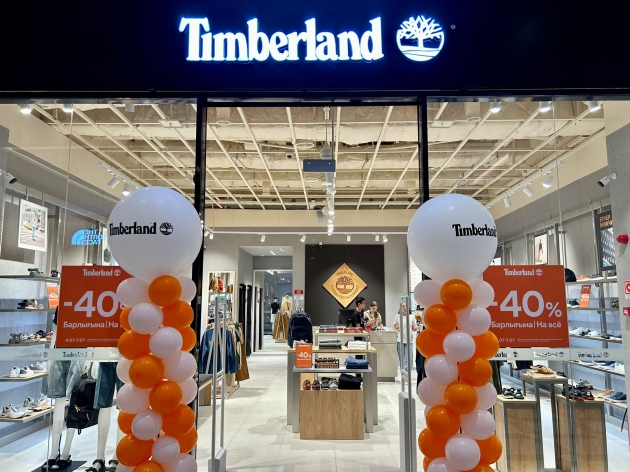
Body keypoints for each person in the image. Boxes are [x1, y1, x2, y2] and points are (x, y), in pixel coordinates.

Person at [394, 302, 416, 373]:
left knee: (408, 358)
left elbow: (414, 326)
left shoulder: (412, 316)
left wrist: (415, 328)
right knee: (402, 358)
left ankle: (406, 374)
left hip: (409, 340)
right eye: (403, 306)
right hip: (400, 340)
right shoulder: (398, 316)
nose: (405, 307)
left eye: (406, 306)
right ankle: (403, 374)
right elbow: (395, 325)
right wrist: (396, 327)